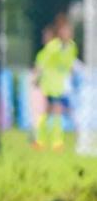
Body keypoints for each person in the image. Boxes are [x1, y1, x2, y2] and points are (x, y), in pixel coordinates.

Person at [32, 16, 78, 151]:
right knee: (57, 110)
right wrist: (37, 77)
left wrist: (72, 76)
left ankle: (39, 139)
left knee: (49, 111)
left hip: (62, 84)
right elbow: (42, 62)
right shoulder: (53, 46)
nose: (68, 34)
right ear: (60, 33)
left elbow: (70, 64)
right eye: (65, 31)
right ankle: (56, 142)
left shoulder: (72, 47)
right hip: (51, 83)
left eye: (69, 31)